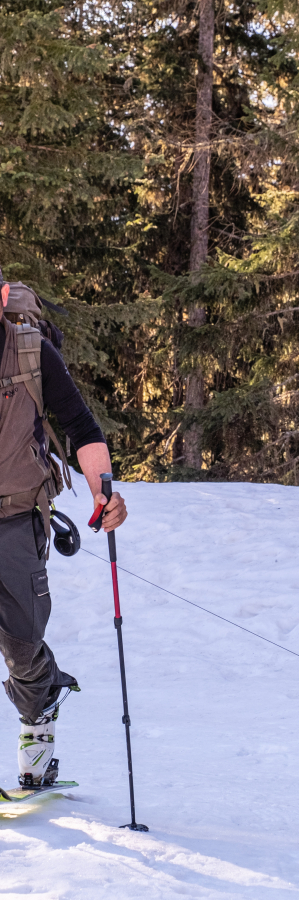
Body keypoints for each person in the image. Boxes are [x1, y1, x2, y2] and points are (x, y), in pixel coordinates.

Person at [0, 276, 127, 787]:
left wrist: (103, 492)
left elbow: (81, 427)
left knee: (22, 645)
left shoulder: (32, 352)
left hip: (17, 517)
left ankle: (41, 708)